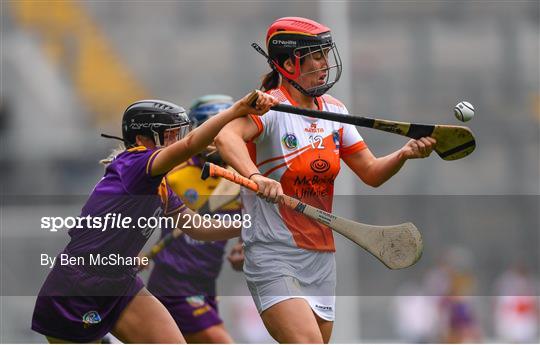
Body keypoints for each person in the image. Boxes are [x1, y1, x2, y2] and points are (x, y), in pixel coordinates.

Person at [215, 17, 437, 343]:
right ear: (290, 63)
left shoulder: (335, 111)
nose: (325, 63)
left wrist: (404, 154)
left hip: (321, 258)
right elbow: (226, 138)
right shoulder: (270, 108)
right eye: (316, 56)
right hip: (273, 253)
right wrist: (255, 175)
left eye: (325, 54)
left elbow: (371, 172)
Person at [31, 91, 278, 343]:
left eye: (175, 135)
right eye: (167, 136)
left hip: (121, 281)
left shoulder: (158, 184)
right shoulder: (135, 163)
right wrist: (236, 110)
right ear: (140, 139)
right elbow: (191, 145)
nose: (174, 143)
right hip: (77, 288)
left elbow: (197, 227)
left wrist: (249, 226)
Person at [146, 94, 243, 343]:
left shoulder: (243, 178)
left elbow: (249, 225)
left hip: (207, 282)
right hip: (173, 281)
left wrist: (243, 249)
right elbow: (136, 217)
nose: (217, 139)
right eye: (211, 130)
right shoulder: (174, 174)